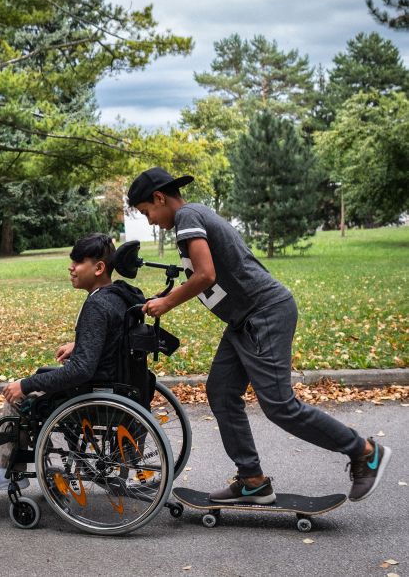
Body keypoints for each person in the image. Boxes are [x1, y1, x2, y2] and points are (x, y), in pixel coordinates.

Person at [127, 166, 391, 504]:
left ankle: (365, 452)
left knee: (281, 406)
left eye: (147, 211)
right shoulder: (194, 217)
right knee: (221, 391)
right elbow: (210, 272)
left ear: (159, 198)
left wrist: (167, 302)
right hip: (245, 320)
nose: (149, 220)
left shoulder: (188, 216)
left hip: (264, 314)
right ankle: (252, 479)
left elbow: (205, 274)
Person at [0, 232, 145, 491]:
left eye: (78, 262)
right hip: (117, 382)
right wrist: (81, 345)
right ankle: (0, 462)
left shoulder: (96, 306)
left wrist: (26, 385)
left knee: (17, 398)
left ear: (98, 268)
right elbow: (114, 336)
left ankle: (6, 467)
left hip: (94, 392)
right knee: (35, 380)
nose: (71, 268)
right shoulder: (117, 296)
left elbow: (81, 370)